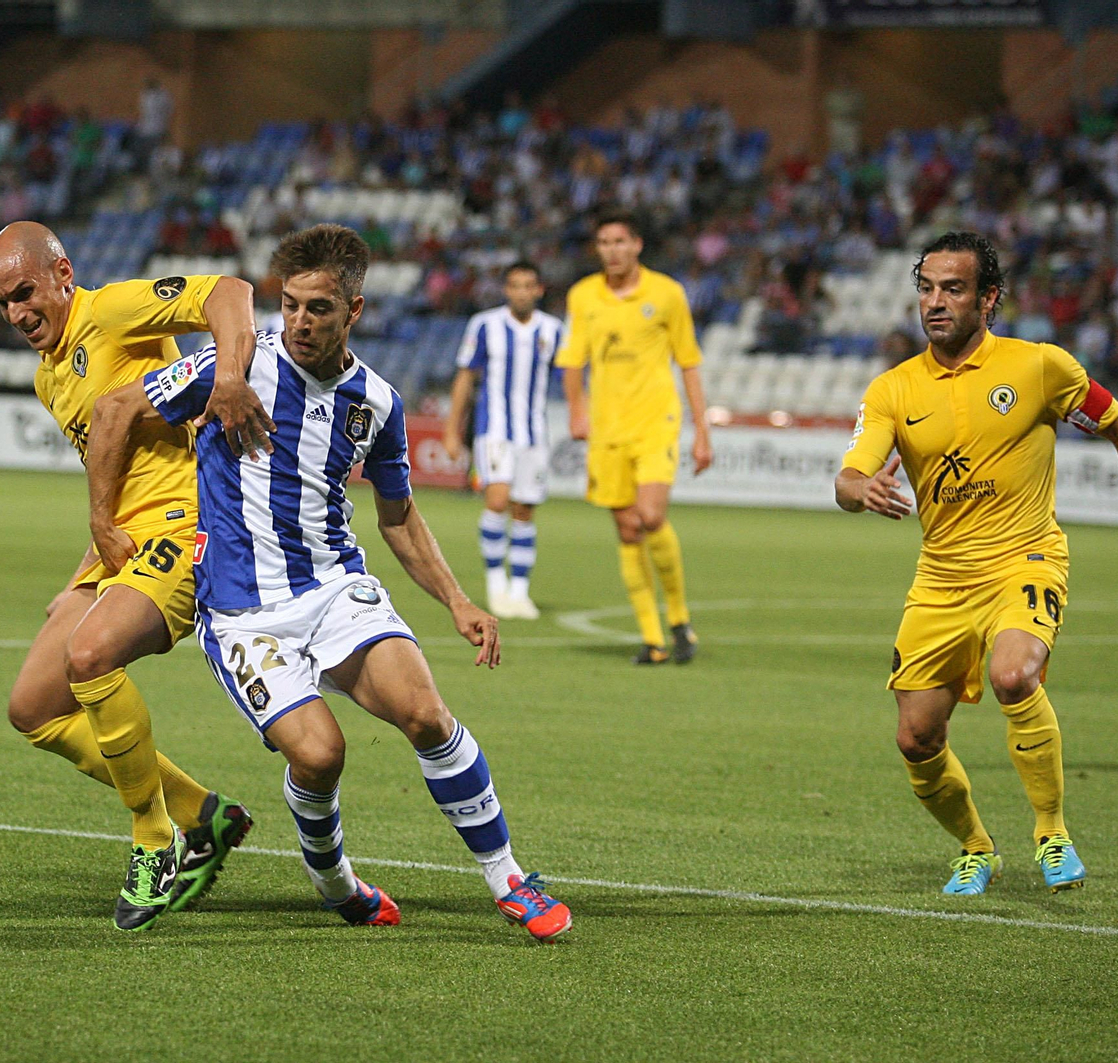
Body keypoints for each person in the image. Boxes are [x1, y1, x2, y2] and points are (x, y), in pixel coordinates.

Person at [90, 224, 572, 941]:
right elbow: (115, 409)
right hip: (244, 614)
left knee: (428, 715)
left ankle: (508, 877)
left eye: (318, 308)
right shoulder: (234, 365)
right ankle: (334, 879)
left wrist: (458, 599)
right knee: (320, 755)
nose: (299, 322)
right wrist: (104, 522)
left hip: (335, 588)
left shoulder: (376, 401)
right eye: (289, 304)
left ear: (355, 310)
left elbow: (399, 516)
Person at [836, 231, 1118, 896]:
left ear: (987, 298)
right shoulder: (894, 388)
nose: (935, 302)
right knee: (915, 736)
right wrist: (858, 490)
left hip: (1026, 555)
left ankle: (1052, 831)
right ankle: (975, 847)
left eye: (952, 288)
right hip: (942, 578)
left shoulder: (1038, 367)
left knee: (1015, 673)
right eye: (927, 287)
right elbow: (850, 475)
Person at [0, 221, 274, 931]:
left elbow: (230, 292)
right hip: (122, 546)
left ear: (62, 273)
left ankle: (153, 835)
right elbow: (112, 473)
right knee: (35, 707)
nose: (18, 314)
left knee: (90, 656)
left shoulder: (111, 310)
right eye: (2, 304)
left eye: (24, 293)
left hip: (183, 526)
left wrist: (228, 376)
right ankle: (204, 814)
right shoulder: (48, 374)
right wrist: (87, 566)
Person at [556, 209, 713, 664]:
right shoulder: (583, 295)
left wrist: (702, 432)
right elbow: (571, 359)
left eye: (620, 241)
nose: (613, 250)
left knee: (649, 514)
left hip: (655, 422)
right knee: (627, 529)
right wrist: (576, 412)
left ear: (637, 245)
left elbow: (688, 362)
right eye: (604, 243)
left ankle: (679, 617)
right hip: (607, 429)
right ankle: (654, 639)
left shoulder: (666, 293)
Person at [442, 260, 564, 619]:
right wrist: (451, 430)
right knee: (497, 499)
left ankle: (519, 591)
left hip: (535, 433)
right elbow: (465, 377)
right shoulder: (484, 325)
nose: (522, 292)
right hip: (493, 430)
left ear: (539, 290)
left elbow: (570, 377)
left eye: (529, 285)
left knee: (524, 510)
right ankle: (496, 586)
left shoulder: (555, 330)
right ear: (506, 290)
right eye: (515, 285)